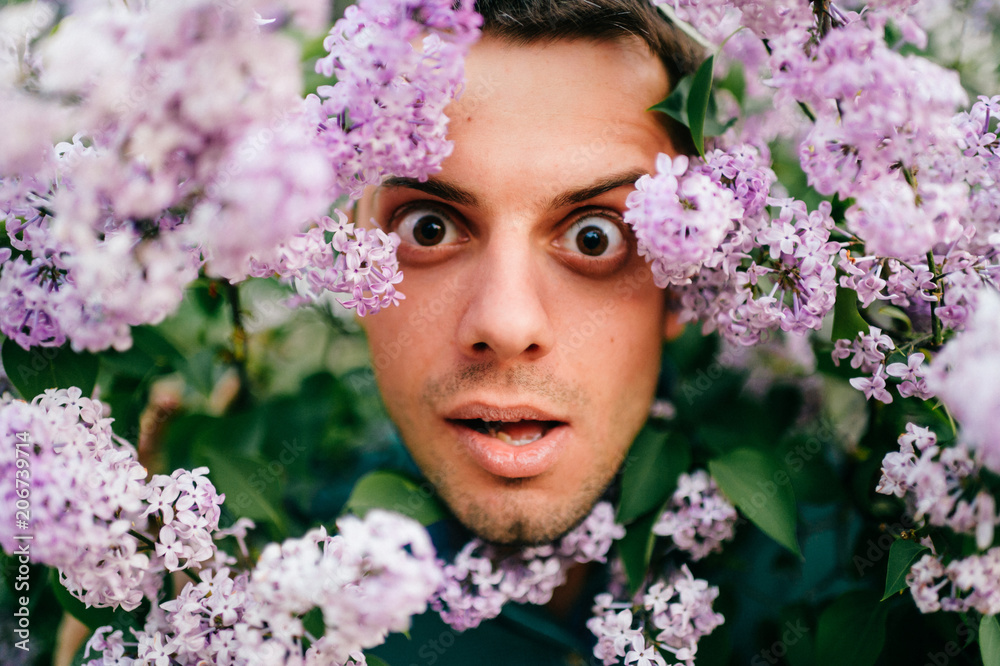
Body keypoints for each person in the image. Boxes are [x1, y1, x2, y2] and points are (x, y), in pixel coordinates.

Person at [355, 1, 703, 662]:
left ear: (692, 273)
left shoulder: (835, 567)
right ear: (344, 253)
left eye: (596, 237)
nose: (507, 325)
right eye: (428, 226)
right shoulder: (245, 590)